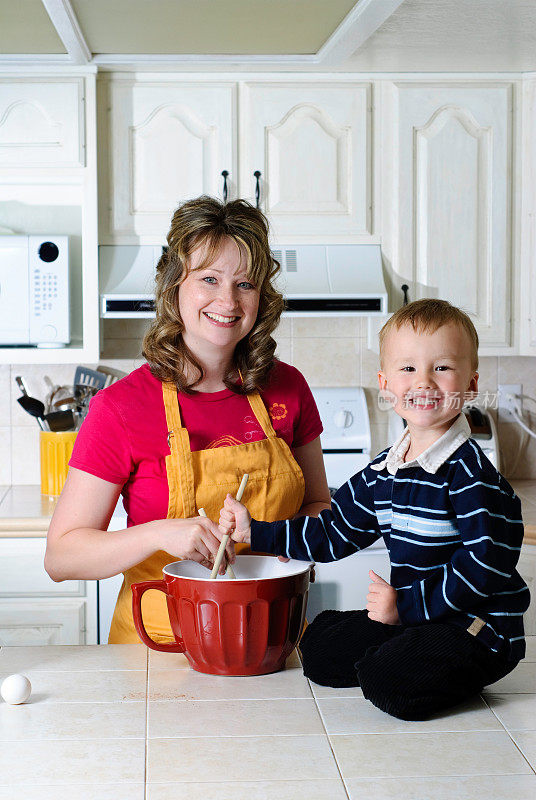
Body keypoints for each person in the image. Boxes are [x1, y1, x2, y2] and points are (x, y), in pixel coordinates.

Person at [219, 298, 531, 720]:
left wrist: (404, 608)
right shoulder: (386, 470)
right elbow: (333, 531)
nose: (423, 382)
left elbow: (485, 567)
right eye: (408, 369)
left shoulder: (471, 474)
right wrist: (254, 532)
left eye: (441, 368)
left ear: (471, 385)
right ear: (386, 385)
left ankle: (417, 660)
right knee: (319, 651)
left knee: (388, 684)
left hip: (475, 629)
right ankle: (403, 648)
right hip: (414, 617)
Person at [45, 196, 331, 644]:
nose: (228, 300)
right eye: (209, 279)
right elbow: (62, 557)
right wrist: (161, 533)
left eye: (245, 284)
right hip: (160, 651)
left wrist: (275, 536)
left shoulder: (288, 388)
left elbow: (319, 509)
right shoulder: (121, 408)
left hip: (274, 642)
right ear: (174, 285)